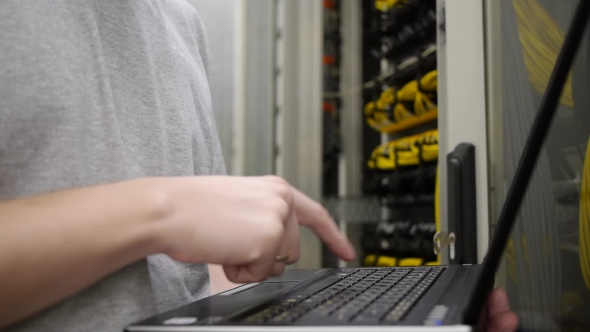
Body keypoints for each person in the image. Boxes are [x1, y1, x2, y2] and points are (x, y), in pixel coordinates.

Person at [0, 1, 517, 331]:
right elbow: (169, 219)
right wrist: (160, 210)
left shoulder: (178, 23)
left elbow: (190, 284)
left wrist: (354, 317)